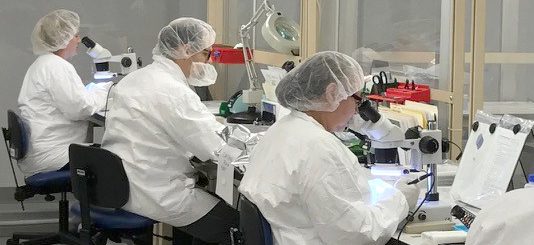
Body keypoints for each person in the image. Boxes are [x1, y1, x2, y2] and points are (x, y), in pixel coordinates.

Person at [239, 51, 420, 245]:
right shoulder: (319, 147)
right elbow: (356, 235)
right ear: (333, 93)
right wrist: (400, 200)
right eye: (357, 101)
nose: (356, 111)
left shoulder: (282, 129)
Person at [101, 18, 238, 244]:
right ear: (186, 50)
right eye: (206, 53)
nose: (209, 60)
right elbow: (213, 146)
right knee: (239, 227)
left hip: (120, 184)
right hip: (156, 193)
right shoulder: (173, 91)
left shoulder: (136, 78)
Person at [18, 9, 111, 176]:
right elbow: (80, 108)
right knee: (116, 158)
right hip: (54, 153)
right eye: (75, 35)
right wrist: (105, 91)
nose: (78, 40)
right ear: (63, 39)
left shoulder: (44, 64)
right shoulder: (56, 66)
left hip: (42, 149)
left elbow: (73, 100)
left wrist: (94, 91)